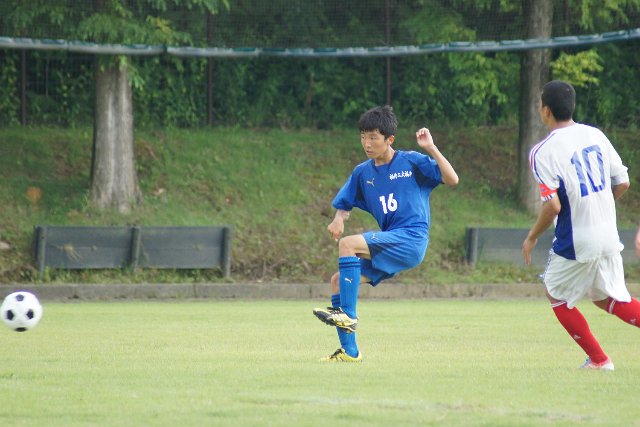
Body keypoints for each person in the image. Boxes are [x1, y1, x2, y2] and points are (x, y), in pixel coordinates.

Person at [312, 105, 459, 362]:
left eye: (373, 137)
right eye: (363, 137)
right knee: (338, 281)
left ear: (390, 139)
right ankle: (350, 352)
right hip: (391, 242)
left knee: (348, 245)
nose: (367, 144)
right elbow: (345, 202)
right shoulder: (363, 172)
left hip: (412, 238)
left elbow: (452, 179)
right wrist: (338, 218)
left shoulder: (411, 161)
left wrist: (431, 148)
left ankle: (347, 316)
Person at [522, 80, 640, 371]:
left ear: (545, 110)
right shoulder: (595, 134)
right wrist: (599, 204)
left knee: (555, 292)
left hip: (577, 238)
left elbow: (553, 206)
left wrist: (532, 237)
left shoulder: (542, 151)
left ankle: (600, 360)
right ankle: (599, 360)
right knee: (608, 297)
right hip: (608, 233)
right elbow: (623, 182)